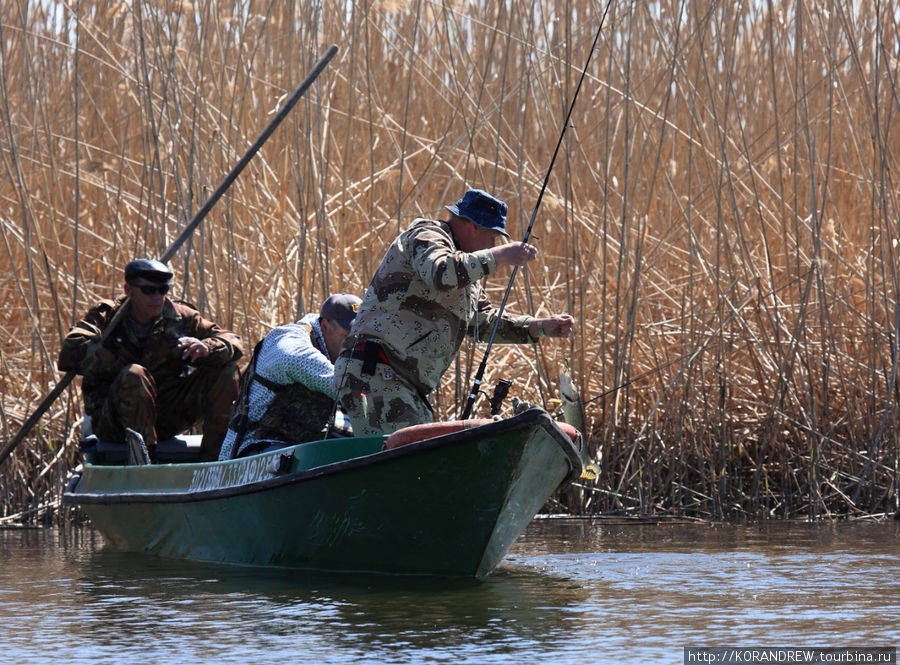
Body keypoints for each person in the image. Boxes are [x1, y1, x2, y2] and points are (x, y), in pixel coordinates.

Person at [333, 188, 574, 436]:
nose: (493, 244)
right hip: (376, 371)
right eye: (493, 237)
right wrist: (499, 255)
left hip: (405, 385)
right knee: (407, 460)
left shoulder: (466, 272)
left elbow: (483, 323)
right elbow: (440, 272)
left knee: (419, 459)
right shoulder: (427, 235)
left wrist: (539, 326)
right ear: (473, 227)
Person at [58, 258, 244, 461]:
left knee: (226, 371)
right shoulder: (108, 317)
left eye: (163, 290)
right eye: (148, 290)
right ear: (129, 290)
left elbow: (232, 340)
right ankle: (145, 466)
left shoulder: (179, 317)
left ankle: (217, 463)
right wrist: (114, 358)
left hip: (165, 415)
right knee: (135, 375)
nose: (157, 297)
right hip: (116, 421)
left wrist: (206, 348)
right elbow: (71, 350)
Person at [218, 293, 362, 459]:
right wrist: (354, 387)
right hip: (252, 451)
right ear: (324, 326)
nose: (354, 346)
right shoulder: (288, 338)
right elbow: (292, 358)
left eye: (359, 338)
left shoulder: (341, 350)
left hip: (303, 448)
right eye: (348, 337)